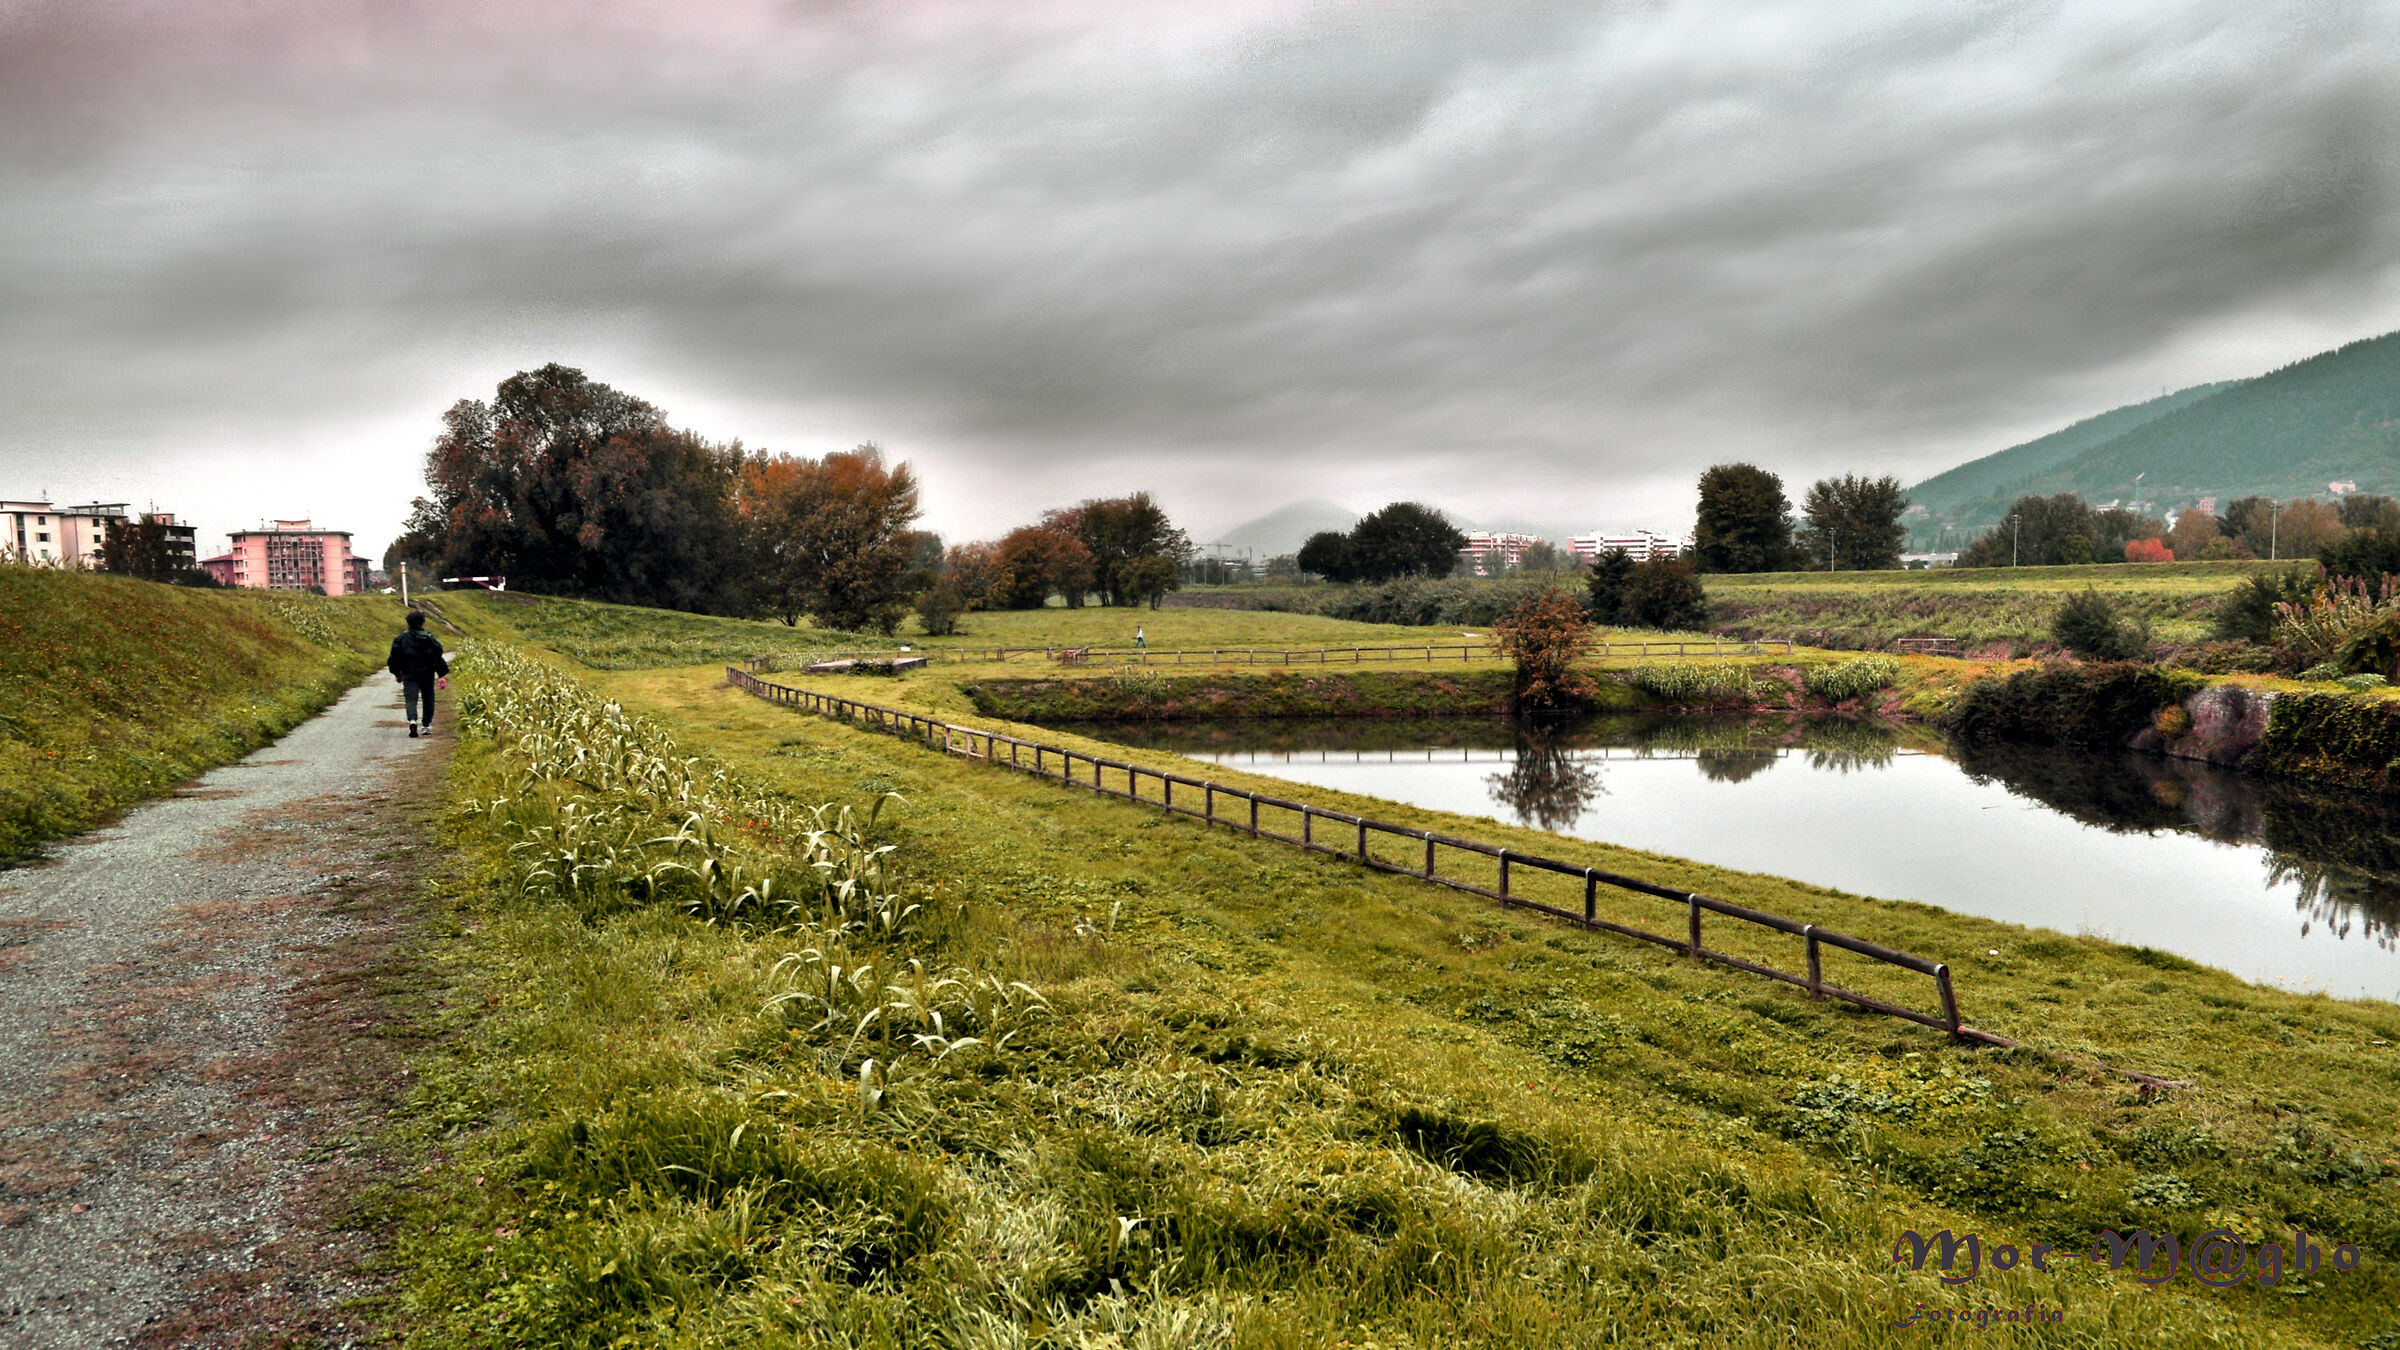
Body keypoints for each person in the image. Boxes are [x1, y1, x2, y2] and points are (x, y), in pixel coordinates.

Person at [387, 610, 451, 738]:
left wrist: (397, 673)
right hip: (427, 674)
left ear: (408, 622)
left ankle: (412, 720)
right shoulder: (429, 638)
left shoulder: (401, 639)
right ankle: (426, 725)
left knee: (411, 698)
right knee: (428, 699)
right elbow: (437, 656)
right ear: (423, 622)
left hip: (409, 674)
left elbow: (394, 658)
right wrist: (441, 674)